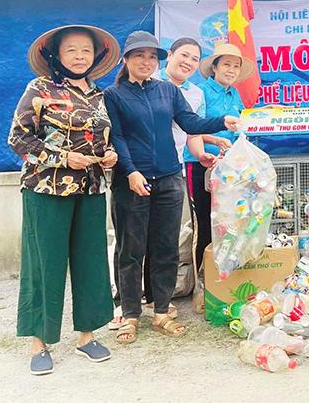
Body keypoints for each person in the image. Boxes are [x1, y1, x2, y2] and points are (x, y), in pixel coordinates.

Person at [105, 31, 240, 344]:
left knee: (166, 248)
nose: (147, 61)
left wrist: (224, 121)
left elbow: (191, 123)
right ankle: (130, 314)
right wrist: (131, 171)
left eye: (152, 56)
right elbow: (118, 138)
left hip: (169, 178)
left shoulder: (167, 91)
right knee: (131, 250)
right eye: (140, 55)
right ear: (126, 59)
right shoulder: (113, 95)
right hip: (132, 182)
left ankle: (162, 311)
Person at [8, 24, 121, 374]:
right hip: (47, 192)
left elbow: (101, 138)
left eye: (86, 50)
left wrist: (110, 154)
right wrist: (61, 158)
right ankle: (39, 343)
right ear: (56, 54)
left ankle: (87, 337)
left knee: (90, 264)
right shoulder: (39, 89)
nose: (79, 56)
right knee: (46, 265)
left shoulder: (100, 95)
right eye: (71, 50)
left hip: (89, 190)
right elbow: (18, 139)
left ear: (95, 56)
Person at [185, 43, 255, 312]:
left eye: (236, 66)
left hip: (233, 170)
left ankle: (226, 283)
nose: (231, 70)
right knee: (204, 225)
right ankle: (202, 287)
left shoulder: (235, 94)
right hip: (203, 166)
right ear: (213, 67)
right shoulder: (200, 92)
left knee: (230, 223)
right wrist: (212, 146)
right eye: (226, 64)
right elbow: (191, 128)